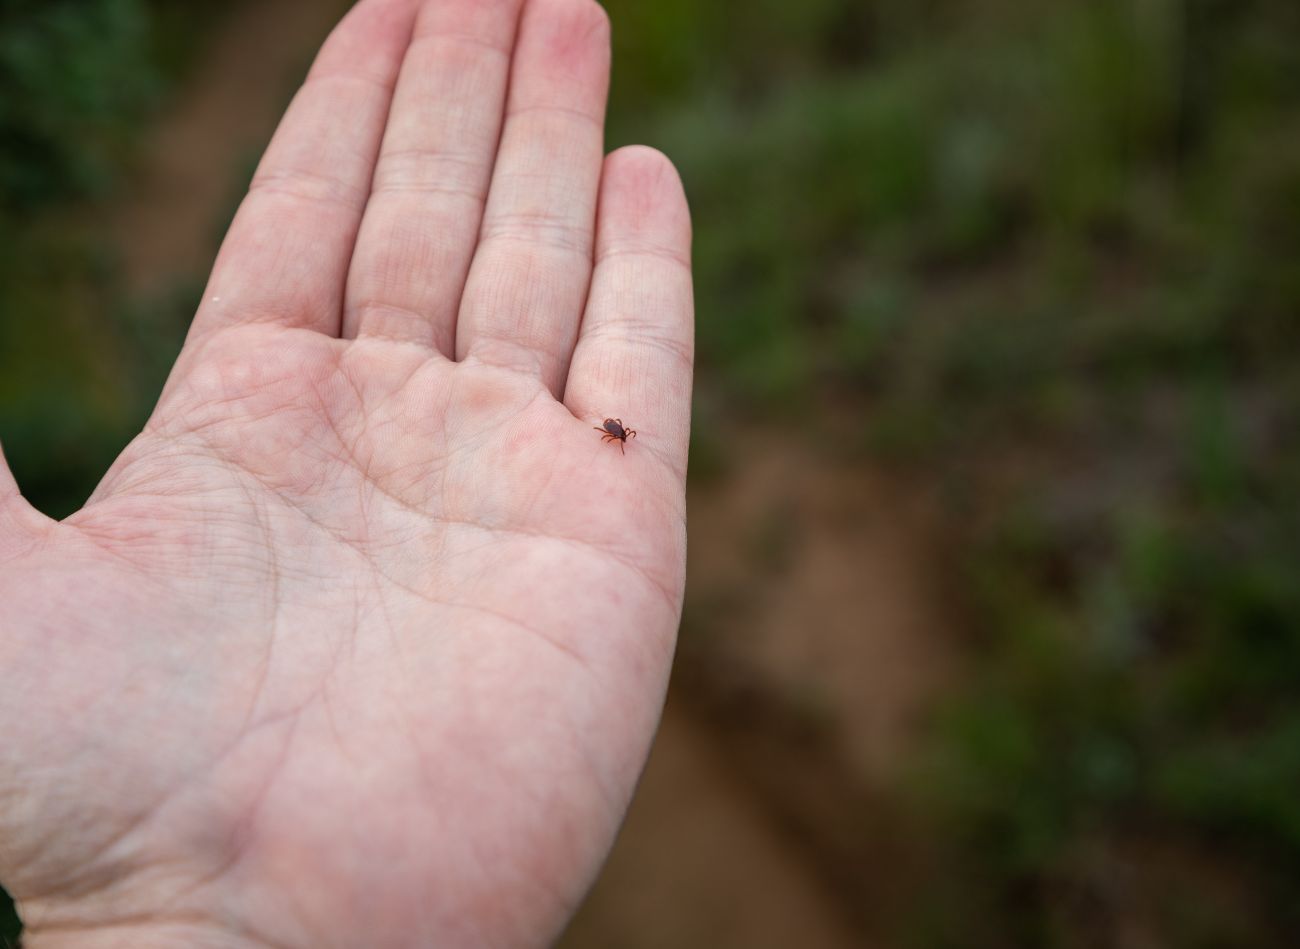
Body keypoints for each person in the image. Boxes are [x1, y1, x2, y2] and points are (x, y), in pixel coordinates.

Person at [0, 0, 692, 944]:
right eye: (616, 430)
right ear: (614, 431)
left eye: (614, 431)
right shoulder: (608, 431)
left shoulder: (610, 432)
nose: (615, 432)